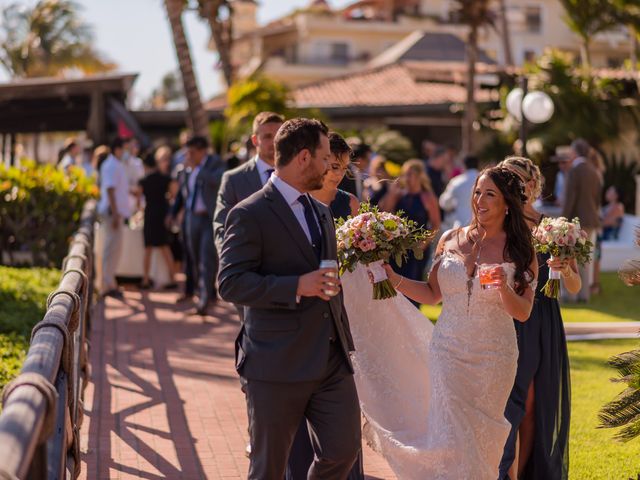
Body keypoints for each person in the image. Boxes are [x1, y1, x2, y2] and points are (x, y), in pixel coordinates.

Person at [339, 165, 537, 479]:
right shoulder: (450, 238)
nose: (479, 200)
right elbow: (432, 294)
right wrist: (394, 278)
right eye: (477, 192)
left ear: (507, 203)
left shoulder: (521, 250)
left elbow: (523, 312)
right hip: (448, 351)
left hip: (494, 357)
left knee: (481, 442)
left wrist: (503, 288)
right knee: (451, 436)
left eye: (490, 194)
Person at [218, 118, 361, 479]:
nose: (331, 166)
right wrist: (297, 285)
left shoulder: (323, 212)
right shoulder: (248, 213)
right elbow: (231, 282)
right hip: (275, 363)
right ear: (303, 158)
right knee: (268, 468)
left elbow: (327, 274)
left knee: (343, 451)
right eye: (326, 157)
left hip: (330, 359)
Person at [498, 156, 578, 480]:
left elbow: (575, 284)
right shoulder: (500, 226)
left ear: (532, 186)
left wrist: (565, 269)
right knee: (509, 405)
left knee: (533, 405)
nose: (513, 187)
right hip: (510, 316)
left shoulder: (553, 227)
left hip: (542, 319)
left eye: (517, 180)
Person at [213, 111, 285, 255]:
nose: (274, 142)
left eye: (278, 136)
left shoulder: (294, 176)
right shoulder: (233, 179)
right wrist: (231, 261)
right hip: (247, 264)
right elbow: (222, 227)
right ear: (254, 140)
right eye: (267, 137)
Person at [180, 135, 224, 315]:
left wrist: (198, 169)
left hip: (208, 218)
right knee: (195, 258)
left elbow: (218, 180)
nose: (188, 155)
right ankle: (206, 293)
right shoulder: (188, 167)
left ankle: (204, 302)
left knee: (207, 259)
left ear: (201, 151)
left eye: (191, 152)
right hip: (192, 217)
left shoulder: (215, 163)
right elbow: (185, 191)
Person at [379, 159, 441, 284]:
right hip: (397, 247)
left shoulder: (427, 197)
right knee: (395, 284)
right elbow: (384, 212)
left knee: (413, 283)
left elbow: (436, 224)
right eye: (405, 174)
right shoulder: (399, 195)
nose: (406, 178)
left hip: (417, 248)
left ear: (419, 176)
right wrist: (391, 193)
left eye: (410, 174)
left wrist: (423, 243)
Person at [561, 138, 602, 302]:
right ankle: (584, 294)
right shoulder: (594, 171)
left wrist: (563, 220)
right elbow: (598, 199)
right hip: (591, 220)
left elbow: (570, 199)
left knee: (570, 257)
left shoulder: (574, 171)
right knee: (584, 258)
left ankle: (571, 295)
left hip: (575, 220)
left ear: (575, 152)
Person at [138, 149, 178, 289]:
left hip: (150, 214)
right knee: (165, 247)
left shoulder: (144, 181)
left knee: (147, 248)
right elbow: (175, 195)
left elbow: (138, 198)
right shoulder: (165, 178)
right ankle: (173, 278)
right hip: (162, 213)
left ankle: (145, 279)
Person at [97, 138, 131, 299]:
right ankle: (106, 284)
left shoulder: (116, 164)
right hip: (112, 213)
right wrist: (116, 213)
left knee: (115, 248)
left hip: (116, 212)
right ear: (117, 149)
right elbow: (110, 190)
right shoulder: (111, 165)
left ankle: (110, 282)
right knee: (111, 249)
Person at [310, 132, 359, 220]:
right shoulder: (297, 200)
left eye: (345, 168)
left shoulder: (352, 203)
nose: (340, 174)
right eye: (335, 167)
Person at [439, 154, 480, 230]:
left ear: (464, 165)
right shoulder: (485, 180)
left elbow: (444, 203)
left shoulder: (457, 181)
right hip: (482, 227)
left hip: (462, 227)